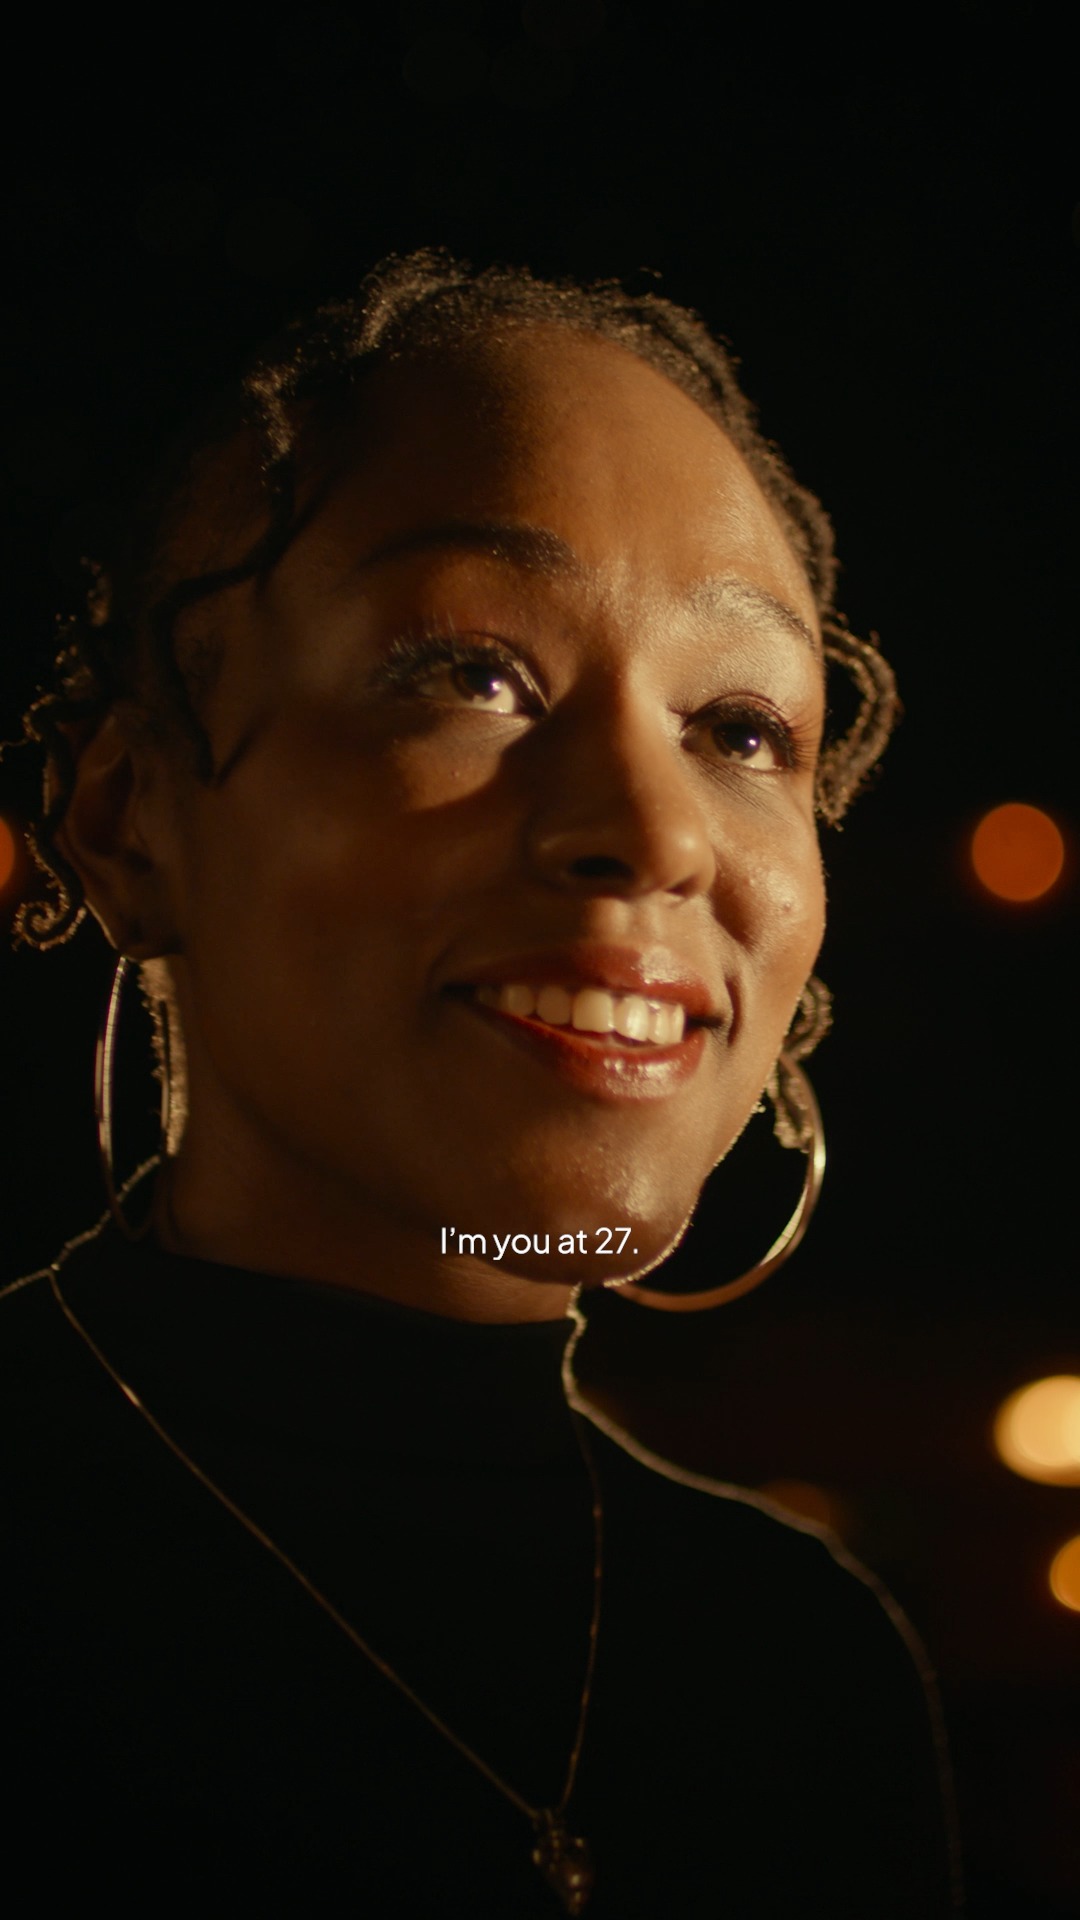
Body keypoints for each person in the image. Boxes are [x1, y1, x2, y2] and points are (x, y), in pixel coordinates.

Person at [1, 252, 960, 1914]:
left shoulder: (811, 1676)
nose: (656, 832)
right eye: (473, 673)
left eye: (740, 730)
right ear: (130, 822)